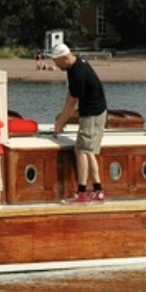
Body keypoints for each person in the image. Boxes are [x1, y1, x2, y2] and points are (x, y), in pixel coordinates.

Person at [49, 42, 107, 203]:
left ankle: (82, 192)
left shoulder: (77, 72)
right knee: (89, 151)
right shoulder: (74, 66)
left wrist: (59, 125)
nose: (56, 65)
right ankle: (98, 190)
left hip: (92, 114)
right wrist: (61, 117)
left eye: (56, 61)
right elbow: (71, 94)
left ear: (64, 58)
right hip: (95, 111)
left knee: (81, 150)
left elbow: (72, 103)